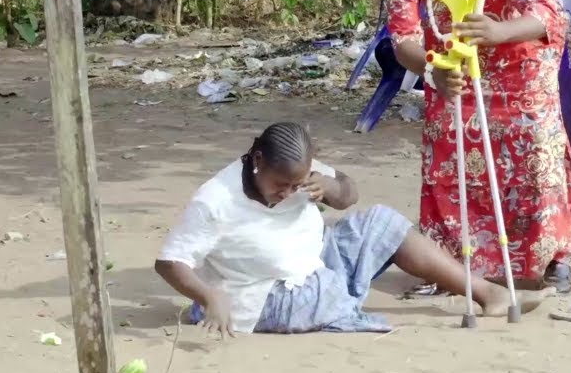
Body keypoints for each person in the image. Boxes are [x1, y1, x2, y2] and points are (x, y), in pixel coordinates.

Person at [379, 0, 571, 294]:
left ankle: (553, 257)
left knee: (534, 147)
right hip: (450, 62)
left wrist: (498, 32)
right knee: (447, 150)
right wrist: (433, 71)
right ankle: (450, 264)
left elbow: (548, 11)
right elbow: (403, 40)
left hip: (519, 58)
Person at [154, 122, 548, 336]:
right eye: (281, 185)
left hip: (313, 260)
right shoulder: (216, 199)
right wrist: (208, 295)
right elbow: (170, 262)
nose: (289, 192)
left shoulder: (302, 171)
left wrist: (330, 187)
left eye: (297, 183)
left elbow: (349, 194)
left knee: (382, 223)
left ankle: (487, 293)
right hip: (263, 295)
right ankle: (339, 302)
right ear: (258, 161)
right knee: (323, 296)